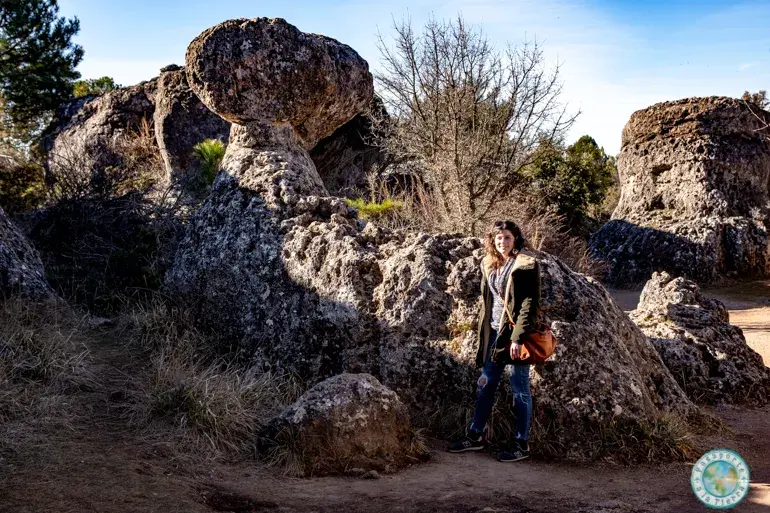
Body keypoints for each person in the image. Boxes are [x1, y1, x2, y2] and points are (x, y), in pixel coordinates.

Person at [448, 219, 541, 462]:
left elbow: (528, 305)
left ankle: (522, 443)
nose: (503, 242)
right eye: (499, 238)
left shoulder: (525, 265)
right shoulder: (490, 264)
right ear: (492, 240)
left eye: (508, 237)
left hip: (515, 338)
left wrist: (518, 338)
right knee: (485, 383)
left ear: (516, 239)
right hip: (494, 336)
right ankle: (475, 435)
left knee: (520, 390)